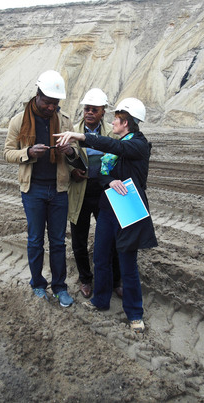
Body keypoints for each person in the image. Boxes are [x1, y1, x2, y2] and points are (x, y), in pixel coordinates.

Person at [54, 97, 158, 331]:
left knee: (127, 263)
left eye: (116, 120)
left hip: (129, 209)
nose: (112, 124)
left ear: (126, 123)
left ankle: (134, 314)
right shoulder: (118, 146)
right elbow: (101, 172)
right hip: (108, 207)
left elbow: (115, 147)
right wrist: (110, 181)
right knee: (101, 257)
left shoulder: (138, 145)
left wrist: (80, 136)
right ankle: (100, 300)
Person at [4, 70, 77, 307]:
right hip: (33, 190)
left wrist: (70, 152)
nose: (51, 108)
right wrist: (27, 153)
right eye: (47, 102)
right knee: (35, 240)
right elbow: (7, 153)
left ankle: (60, 287)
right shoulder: (18, 121)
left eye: (55, 103)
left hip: (58, 190)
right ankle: (37, 284)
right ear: (38, 95)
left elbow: (78, 154)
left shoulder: (65, 121)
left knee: (57, 242)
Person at [68, 88, 122, 299]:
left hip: (104, 193)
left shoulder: (112, 133)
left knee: (112, 238)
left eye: (94, 109)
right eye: (86, 108)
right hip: (80, 191)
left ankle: (116, 280)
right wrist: (73, 171)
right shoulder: (72, 131)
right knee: (79, 240)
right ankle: (85, 280)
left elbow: (119, 159)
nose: (89, 112)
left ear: (102, 112)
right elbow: (64, 162)